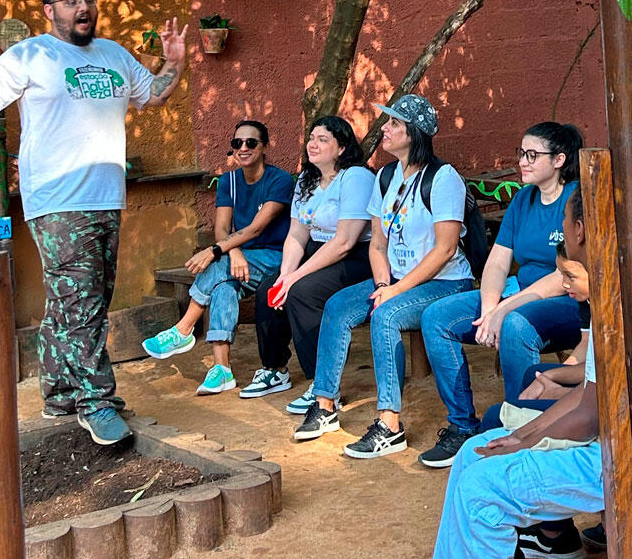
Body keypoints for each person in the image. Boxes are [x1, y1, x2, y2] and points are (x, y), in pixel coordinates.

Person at [426, 185, 632, 559]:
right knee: (471, 454)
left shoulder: (622, 306)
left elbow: (587, 416)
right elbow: (589, 392)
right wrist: (522, 435)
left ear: (582, 230)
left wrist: (525, 441)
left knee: (482, 487)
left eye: (566, 222)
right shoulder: (620, 285)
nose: (563, 229)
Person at [0, 0, 188, 446]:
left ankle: (60, 393)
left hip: (105, 195)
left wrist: (175, 61)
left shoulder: (113, 54)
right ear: (49, 11)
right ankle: (97, 402)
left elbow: (153, 94)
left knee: (76, 299)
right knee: (83, 302)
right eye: (70, 1)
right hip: (57, 199)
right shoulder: (31, 55)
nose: (83, 7)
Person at [293, 94, 473, 459]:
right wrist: (382, 285)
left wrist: (396, 291)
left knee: (385, 315)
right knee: (338, 305)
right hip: (395, 280)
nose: (385, 129)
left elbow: (445, 249)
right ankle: (324, 404)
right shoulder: (386, 176)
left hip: (446, 282)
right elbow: (377, 243)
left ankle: (389, 425)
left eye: (394, 123)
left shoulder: (443, 178)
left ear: (414, 133)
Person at [419, 121, 583, 468]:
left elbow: (565, 275)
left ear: (559, 160)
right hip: (518, 293)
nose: (522, 161)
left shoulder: (576, 200)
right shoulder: (524, 199)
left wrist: (504, 311)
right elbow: (497, 261)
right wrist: (489, 308)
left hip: (569, 299)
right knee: (437, 316)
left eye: (532, 155)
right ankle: (462, 425)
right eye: (521, 153)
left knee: (515, 325)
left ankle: (518, 427)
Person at [141, 119, 294, 394]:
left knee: (217, 262)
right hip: (241, 257)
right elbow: (222, 229)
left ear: (264, 146)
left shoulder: (279, 180)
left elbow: (256, 228)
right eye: (237, 143)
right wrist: (233, 251)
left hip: (277, 256)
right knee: (224, 287)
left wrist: (216, 251)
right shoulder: (228, 181)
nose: (243, 148)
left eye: (251, 142)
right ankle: (222, 370)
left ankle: (184, 328)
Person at [240, 115, 373, 409]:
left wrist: (296, 278)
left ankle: (324, 387)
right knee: (270, 289)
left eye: (323, 140)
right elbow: (296, 235)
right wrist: (285, 276)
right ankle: (275, 369)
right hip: (317, 252)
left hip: (356, 258)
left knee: (303, 292)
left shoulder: (356, 177)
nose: (313, 144)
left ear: (341, 148)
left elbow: (345, 242)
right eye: (312, 138)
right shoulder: (306, 178)